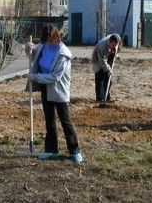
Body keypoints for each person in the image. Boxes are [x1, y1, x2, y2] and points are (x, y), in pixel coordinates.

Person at [25, 24, 83, 163]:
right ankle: (51, 150)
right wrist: (28, 50)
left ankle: (75, 151)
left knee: (65, 121)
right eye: (46, 40)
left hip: (59, 89)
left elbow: (56, 76)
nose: (49, 43)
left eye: (51, 39)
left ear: (56, 36)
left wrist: (36, 77)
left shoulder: (63, 53)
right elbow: (33, 55)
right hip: (46, 88)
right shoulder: (44, 46)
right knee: (49, 120)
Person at [92, 34, 121, 101]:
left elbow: (117, 46)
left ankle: (106, 96)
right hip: (98, 59)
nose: (114, 46)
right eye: (113, 45)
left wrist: (116, 53)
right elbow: (102, 62)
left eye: (115, 45)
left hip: (108, 55)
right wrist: (108, 69)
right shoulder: (102, 47)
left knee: (108, 79)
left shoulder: (117, 39)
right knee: (100, 78)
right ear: (110, 42)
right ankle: (100, 98)